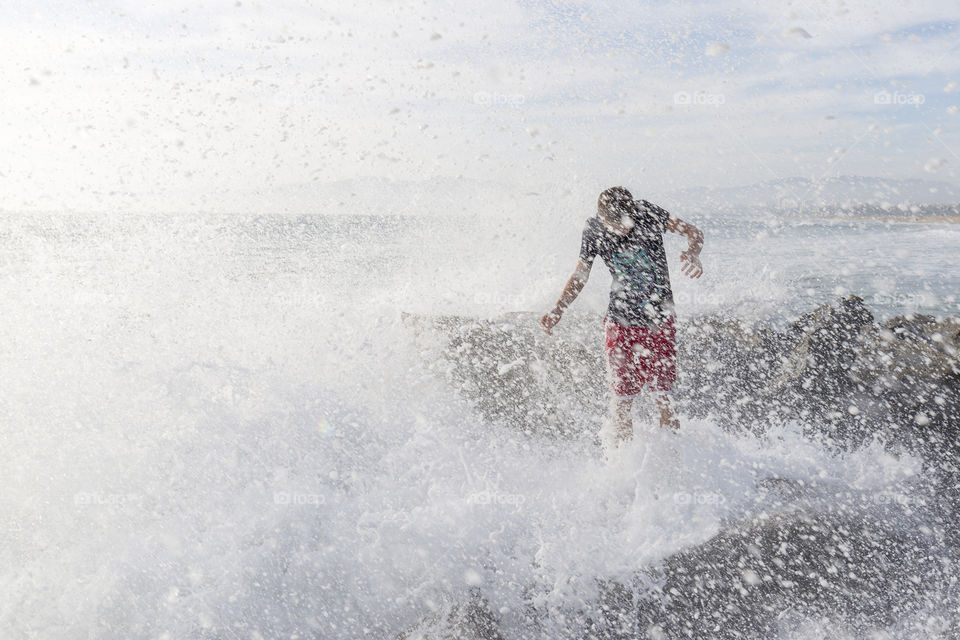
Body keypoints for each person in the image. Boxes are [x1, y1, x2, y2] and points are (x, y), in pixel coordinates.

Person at [539, 186, 703, 456]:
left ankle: (671, 464)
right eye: (617, 225)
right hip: (620, 326)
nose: (624, 229)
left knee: (665, 400)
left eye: (628, 223)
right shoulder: (593, 229)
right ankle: (621, 470)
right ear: (602, 219)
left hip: (660, 323)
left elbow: (694, 232)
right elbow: (581, 275)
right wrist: (559, 309)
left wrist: (693, 252)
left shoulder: (648, 212)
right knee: (622, 402)